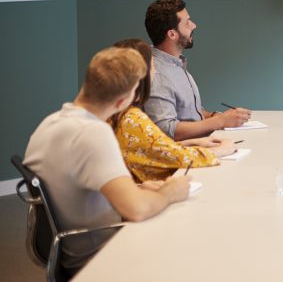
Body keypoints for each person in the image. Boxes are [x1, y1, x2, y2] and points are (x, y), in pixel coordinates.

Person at [24, 48, 190, 272]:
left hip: (70, 248)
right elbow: (137, 210)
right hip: (100, 255)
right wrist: (170, 191)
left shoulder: (49, 124)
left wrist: (139, 188)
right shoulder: (94, 134)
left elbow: (78, 184)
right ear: (123, 101)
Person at [111, 38, 236, 182]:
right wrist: (223, 149)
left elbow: (153, 148)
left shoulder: (117, 113)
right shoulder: (133, 119)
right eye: (152, 66)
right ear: (141, 74)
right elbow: (178, 157)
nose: (155, 70)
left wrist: (190, 143)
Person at [143, 0, 251, 140]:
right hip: (185, 155)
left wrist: (216, 116)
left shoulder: (175, 63)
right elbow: (166, 129)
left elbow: (186, 112)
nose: (194, 25)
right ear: (172, 34)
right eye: (187, 22)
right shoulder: (157, 73)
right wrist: (219, 122)